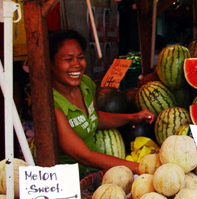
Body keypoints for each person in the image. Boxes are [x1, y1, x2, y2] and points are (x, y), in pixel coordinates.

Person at [49, 29, 154, 176]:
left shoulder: (85, 84)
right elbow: (84, 156)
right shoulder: (52, 104)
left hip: (93, 171)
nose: (77, 65)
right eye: (68, 59)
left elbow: (94, 117)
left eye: (80, 57)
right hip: (69, 180)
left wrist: (132, 117)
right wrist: (137, 167)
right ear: (51, 64)